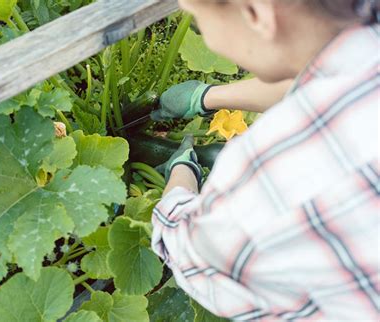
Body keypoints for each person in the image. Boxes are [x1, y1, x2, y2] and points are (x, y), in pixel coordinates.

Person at [150, 0, 379, 320]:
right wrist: (207, 97)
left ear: (255, 11)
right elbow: (325, 75)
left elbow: (184, 247)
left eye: (198, 18)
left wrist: (183, 171)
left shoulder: (267, 179)